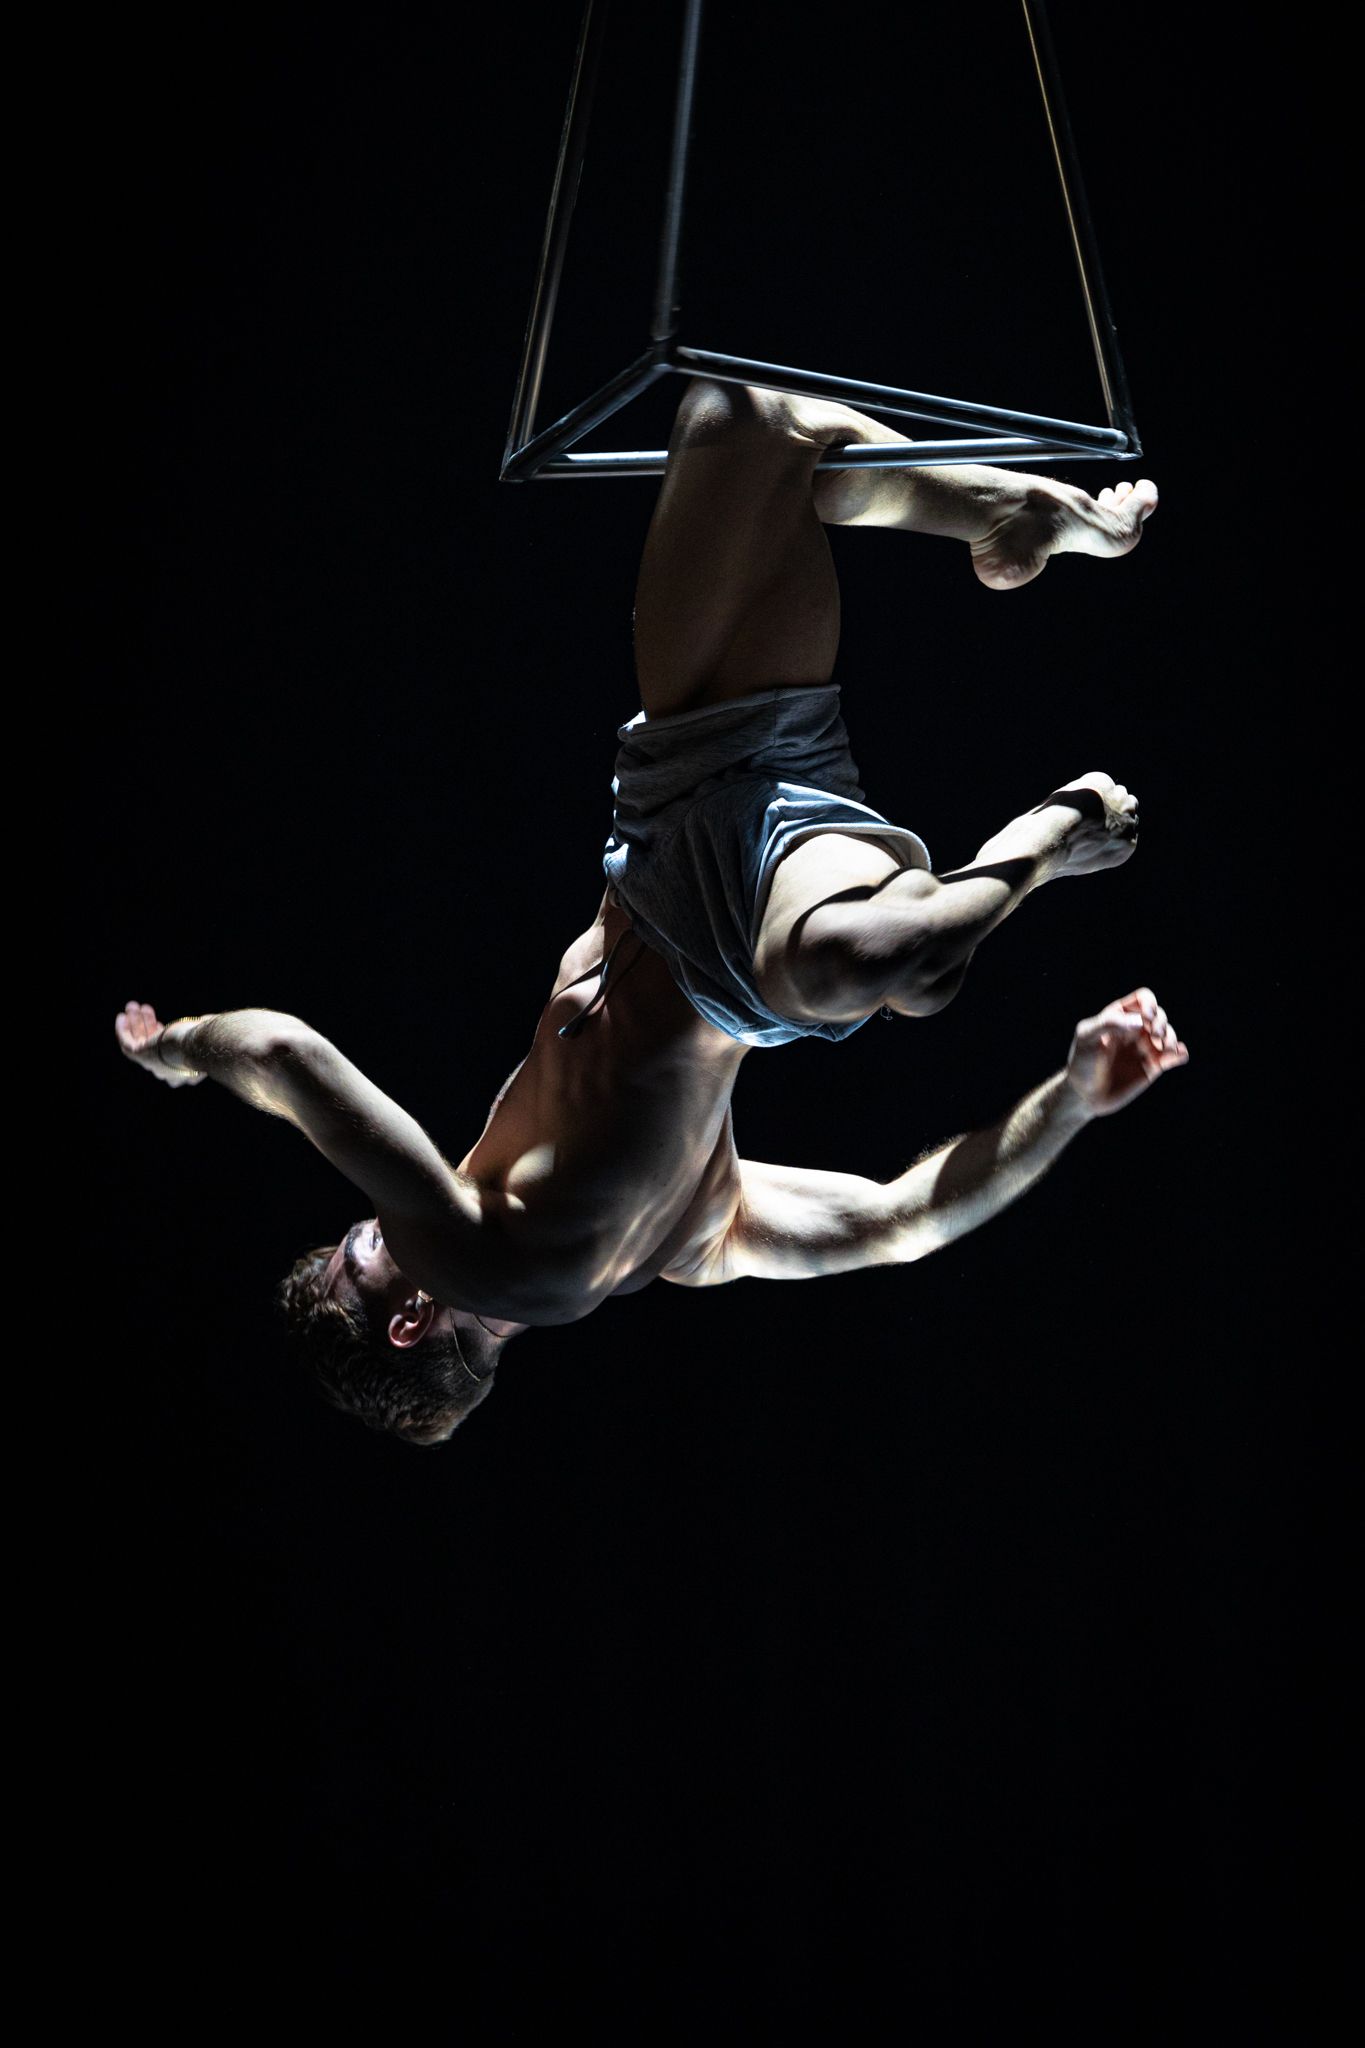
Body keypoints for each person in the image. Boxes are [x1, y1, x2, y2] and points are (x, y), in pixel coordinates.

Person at [115, 379, 1187, 1447]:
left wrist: (1078, 1097)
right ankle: (1044, 846)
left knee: (743, 421)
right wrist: (180, 1052)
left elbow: (906, 1222)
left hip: (676, 795)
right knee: (859, 960)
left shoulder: (642, 1233)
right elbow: (284, 1049)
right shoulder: (552, 1250)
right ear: (409, 1317)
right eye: (365, 1247)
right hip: (768, 919)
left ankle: (1010, 513)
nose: (384, 1223)